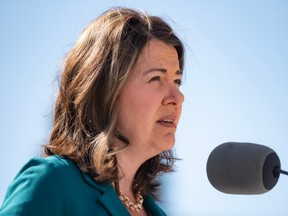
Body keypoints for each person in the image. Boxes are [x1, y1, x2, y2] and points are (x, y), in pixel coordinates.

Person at [0, 7, 185, 216]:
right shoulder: (53, 183)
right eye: (155, 79)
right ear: (105, 89)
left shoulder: (156, 211)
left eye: (177, 81)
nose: (177, 97)